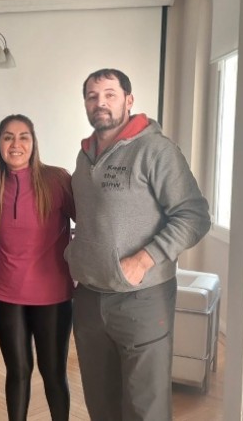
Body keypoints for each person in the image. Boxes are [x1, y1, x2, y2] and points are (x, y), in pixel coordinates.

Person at [64, 68, 211, 420]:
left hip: (142, 298)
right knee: (102, 404)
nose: (101, 103)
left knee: (146, 407)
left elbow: (194, 216)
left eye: (110, 94)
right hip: (89, 297)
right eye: (92, 96)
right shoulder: (85, 157)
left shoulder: (156, 150)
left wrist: (145, 258)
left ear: (128, 100)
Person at [0, 114, 75, 421]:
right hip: (6, 293)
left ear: (34, 143)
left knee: (53, 373)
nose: (16, 143)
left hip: (53, 294)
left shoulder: (58, 179)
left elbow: (89, 224)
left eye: (23, 136)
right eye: (8, 137)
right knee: (18, 372)